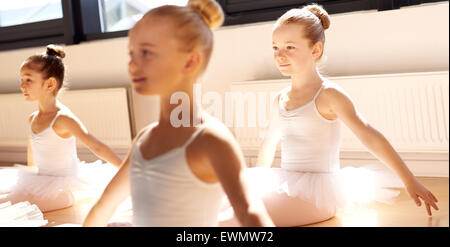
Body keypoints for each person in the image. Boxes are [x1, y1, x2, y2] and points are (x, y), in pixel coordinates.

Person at [219, 4, 439, 227]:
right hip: (286, 181)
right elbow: (269, 143)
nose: (280, 55)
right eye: (275, 47)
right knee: (215, 204)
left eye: (290, 47)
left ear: (315, 50)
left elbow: (370, 136)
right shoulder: (280, 98)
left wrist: (410, 180)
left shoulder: (329, 95)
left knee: (229, 222)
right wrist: (258, 184)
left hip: (317, 194)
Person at [83, 0, 274, 227]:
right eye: (131, 53)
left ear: (191, 62)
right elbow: (105, 204)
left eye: (146, 52)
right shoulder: (144, 139)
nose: (133, 64)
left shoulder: (211, 141)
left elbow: (249, 212)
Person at [0, 45, 122, 214]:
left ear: (49, 84)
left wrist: (127, 170)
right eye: (21, 79)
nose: (22, 86)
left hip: (62, 188)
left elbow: (97, 147)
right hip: (42, 180)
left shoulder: (63, 119)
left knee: (9, 206)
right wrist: (29, 183)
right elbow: (32, 154)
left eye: (28, 80)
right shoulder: (32, 118)